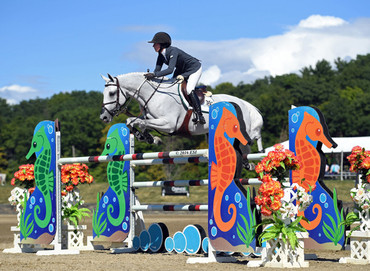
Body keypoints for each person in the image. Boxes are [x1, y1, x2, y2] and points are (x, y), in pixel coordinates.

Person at [145, 32, 206, 124]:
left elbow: (170, 70)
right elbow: (157, 71)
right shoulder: (161, 55)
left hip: (194, 69)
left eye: (155, 43)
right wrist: (150, 76)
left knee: (189, 89)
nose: (153, 45)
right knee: (171, 87)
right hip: (181, 70)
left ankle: (199, 115)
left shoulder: (173, 51)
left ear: (162, 44)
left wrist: (154, 75)